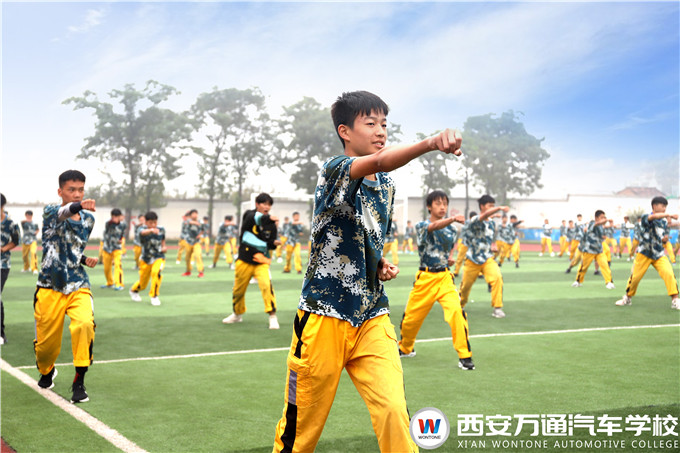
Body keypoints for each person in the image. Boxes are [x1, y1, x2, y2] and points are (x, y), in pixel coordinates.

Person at [272, 90, 462, 452]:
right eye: (370, 123)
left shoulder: (386, 187)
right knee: (300, 430)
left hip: (372, 314)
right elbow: (380, 161)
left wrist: (379, 263)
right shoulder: (335, 170)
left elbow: (369, 235)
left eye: (384, 124)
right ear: (345, 131)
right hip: (323, 317)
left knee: (394, 411)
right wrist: (430, 143)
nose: (380, 131)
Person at [33, 170, 98, 403]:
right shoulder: (51, 211)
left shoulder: (89, 220)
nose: (77, 194)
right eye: (71, 190)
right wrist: (78, 205)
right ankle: (47, 370)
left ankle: (79, 382)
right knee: (46, 349)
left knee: (84, 325)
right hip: (49, 286)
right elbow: (64, 213)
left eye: (80, 190)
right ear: (60, 191)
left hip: (78, 284)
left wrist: (84, 259)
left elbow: (72, 249)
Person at [397, 190, 473, 370]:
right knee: (410, 320)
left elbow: (448, 248)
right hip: (425, 279)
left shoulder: (452, 230)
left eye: (445, 204)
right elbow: (434, 227)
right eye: (438, 203)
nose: (442, 207)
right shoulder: (422, 225)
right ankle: (406, 348)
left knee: (456, 312)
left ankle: (465, 356)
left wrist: (448, 259)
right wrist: (453, 218)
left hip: (445, 278)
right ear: (429, 207)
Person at [223, 193, 280, 328]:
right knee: (238, 290)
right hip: (244, 259)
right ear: (257, 204)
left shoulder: (271, 224)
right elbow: (256, 218)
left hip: (262, 261)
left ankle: (272, 316)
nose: (267, 207)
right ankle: (237, 314)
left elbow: (270, 243)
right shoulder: (249, 215)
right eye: (264, 204)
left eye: (269, 205)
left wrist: (274, 243)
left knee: (266, 286)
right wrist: (269, 218)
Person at [615, 196, 679, 310]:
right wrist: (668, 215)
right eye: (662, 206)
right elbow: (653, 217)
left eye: (665, 206)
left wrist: (664, 239)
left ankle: (675, 300)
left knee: (669, 274)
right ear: (654, 206)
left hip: (658, 254)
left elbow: (661, 236)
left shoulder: (664, 222)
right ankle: (627, 298)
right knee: (635, 278)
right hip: (644, 253)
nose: (664, 208)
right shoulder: (646, 217)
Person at [459, 195, 509, 318]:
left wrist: (491, 247)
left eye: (493, 206)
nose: (492, 208)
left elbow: (487, 239)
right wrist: (499, 208)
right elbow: (484, 216)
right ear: (482, 206)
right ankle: (460, 304)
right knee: (465, 287)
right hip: (472, 259)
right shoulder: (475, 219)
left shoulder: (491, 223)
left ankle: (497, 308)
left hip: (487, 258)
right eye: (490, 206)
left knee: (497, 278)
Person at [571, 210, 615, 289]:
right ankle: (578, 281)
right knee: (583, 267)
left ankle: (609, 282)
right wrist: (607, 220)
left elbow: (602, 235)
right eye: (601, 217)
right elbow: (597, 224)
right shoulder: (592, 223)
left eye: (604, 217)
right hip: (589, 250)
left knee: (605, 266)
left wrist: (610, 224)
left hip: (599, 250)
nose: (603, 219)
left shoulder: (601, 227)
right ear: (596, 218)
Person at [129, 211, 166, 306]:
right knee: (143, 284)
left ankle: (154, 296)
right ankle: (134, 290)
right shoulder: (141, 229)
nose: (153, 225)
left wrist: (164, 247)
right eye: (150, 223)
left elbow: (162, 239)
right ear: (146, 222)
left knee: (156, 273)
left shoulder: (161, 229)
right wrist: (151, 230)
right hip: (146, 259)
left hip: (158, 256)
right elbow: (142, 233)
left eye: (155, 222)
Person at [1, 193, 21, 344]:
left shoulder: (10, 224)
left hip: (2, 265)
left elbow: (16, 241)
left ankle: (1, 334)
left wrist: (3, 249)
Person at [100, 208, 125, 290]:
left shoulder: (123, 225)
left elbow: (122, 234)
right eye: (113, 216)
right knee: (106, 268)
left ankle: (119, 284)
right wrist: (113, 221)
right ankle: (110, 282)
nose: (114, 218)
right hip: (107, 248)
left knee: (118, 265)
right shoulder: (108, 223)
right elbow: (110, 225)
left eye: (116, 216)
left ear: (120, 216)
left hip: (117, 248)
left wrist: (120, 240)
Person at [181, 209, 204, 278]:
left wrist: (199, 235)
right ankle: (188, 271)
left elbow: (203, 230)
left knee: (198, 256)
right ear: (190, 215)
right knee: (187, 258)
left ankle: (200, 272)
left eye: (196, 213)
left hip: (197, 242)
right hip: (188, 242)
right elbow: (189, 222)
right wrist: (196, 223)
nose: (195, 215)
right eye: (193, 214)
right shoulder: (188, 221)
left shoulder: (200, 222)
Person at [453, 211, 476, 277]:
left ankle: (478, 273)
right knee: (460, 257)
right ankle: (456, 271)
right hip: (464, 242)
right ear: (470, 217)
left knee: (474, 257)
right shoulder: (468, 222)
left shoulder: (476, 223)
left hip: (472, 243)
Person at [21, 210, 40, 274]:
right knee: (25, 256)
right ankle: (26, 267)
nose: (29, 216)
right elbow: (22, 222)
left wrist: (36, 232)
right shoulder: (24, 223)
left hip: (33, 240)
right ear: (26, 215)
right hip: (25, 240)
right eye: (27, 215)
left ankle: (34, 268)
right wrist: (27, 220)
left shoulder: (35, 223)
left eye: (30, 215)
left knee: (33, 253)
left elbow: (37, 229)